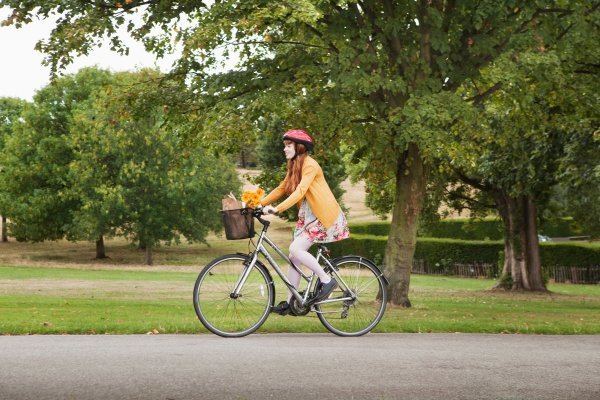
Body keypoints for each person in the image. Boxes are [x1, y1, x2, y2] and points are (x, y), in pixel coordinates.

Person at [261, 129, 350, 315]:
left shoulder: (310, 165)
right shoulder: (294, 166)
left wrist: (277, 209)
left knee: (295, 250)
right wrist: (257, 203)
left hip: (323, 215)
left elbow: (300, 191)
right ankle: (291, 301)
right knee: (294, 257)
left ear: (299, 147)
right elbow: (282, 188)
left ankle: (326, 280)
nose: (284, 149)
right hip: (308, 216)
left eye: (288, 146)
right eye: (284, 146)